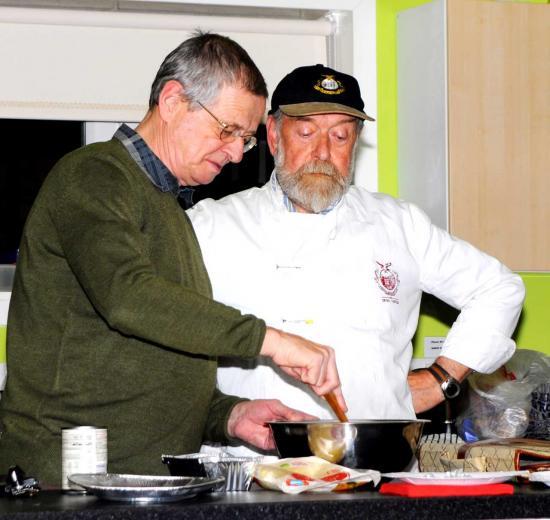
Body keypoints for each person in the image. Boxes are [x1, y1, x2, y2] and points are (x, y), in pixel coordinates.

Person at [0, 36, 345, 486]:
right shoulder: (94, 176)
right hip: (64, 483)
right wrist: (272, 340)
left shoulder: (171, 209)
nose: (238, 152)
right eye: (229, 130)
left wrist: (229, 416)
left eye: (246, 139)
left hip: (139, 482)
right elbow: (128, 297)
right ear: (173, 101)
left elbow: (156, 360)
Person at [187, 64, 526, 456]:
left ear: (356, 142)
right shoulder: (211, 226)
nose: (323, 152)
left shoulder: (400, 225)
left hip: (375, 469)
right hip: (252, 474)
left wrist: (442, 379)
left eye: (340, 135)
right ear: (274, 136)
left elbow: (499, 288)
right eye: (307, 132)